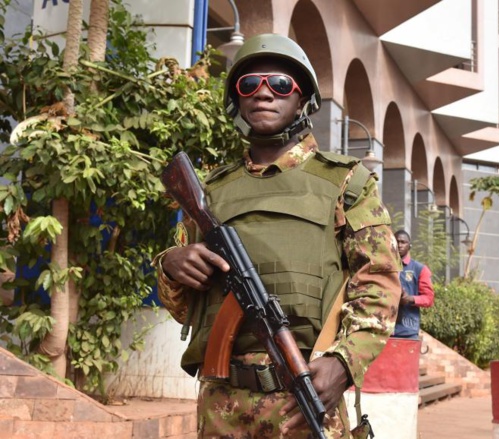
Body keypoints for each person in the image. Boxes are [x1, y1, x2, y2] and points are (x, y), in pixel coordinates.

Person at [153, 34, 401, 438]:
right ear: (237, 99)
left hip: (305, 393)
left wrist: (344, 363)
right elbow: (184, 310)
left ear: (301, 99)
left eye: (280, 84)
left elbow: (380, 283)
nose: (264, 93)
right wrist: (172, 266)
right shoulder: (211, 193)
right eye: (249, 85)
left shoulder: (347, 183)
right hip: (221, 404)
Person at [391, 230, 435, 339]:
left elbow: (429, 299)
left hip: (407, 332)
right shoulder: (384, 267)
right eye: (397, 242)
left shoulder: (420, 269)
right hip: (383, 331)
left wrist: (410, 299)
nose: (400, 245)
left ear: (409, 246)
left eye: (403, 242)